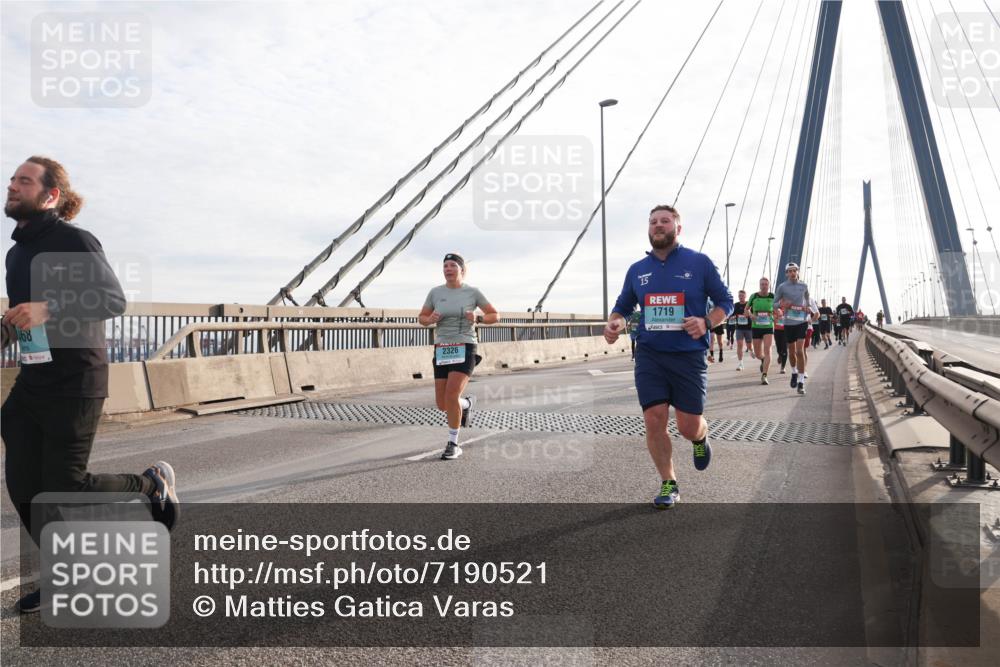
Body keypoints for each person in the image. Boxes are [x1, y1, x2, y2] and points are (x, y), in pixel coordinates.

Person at [1, 156, 179, 614]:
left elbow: (111, 300)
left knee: (66, 483)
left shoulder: (73, 240)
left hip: (77, 379)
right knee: (25, 487)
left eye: (24, 180)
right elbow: (23, 318)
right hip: (33, 379)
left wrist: (49, 308)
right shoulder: (16, 253)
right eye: (12, 179)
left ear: (51, 194)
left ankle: (150, 484)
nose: (12, 185)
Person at [603, 204, 733, 509]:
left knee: (688, 426)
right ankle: (669, 483)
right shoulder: (637, 270)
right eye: (653, 222)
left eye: (665, 221)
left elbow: (726, 302)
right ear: (648, 229)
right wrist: (614, 324)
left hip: (688, 356)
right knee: (654, 419)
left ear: (678, 228)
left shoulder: (699, 263)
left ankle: (700, 439)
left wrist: (706, 322)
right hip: (650, 355)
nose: (658, 225)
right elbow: (623, 307)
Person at [418, 253, 498, 460]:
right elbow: (422, 318)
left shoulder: (472, 292)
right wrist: (430, 318)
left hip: (465, 345)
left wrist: (479, 317)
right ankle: (467, 404)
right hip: (442, 348)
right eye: (445, 266)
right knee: (442, 404)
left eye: (453, 265)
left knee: (451, 395)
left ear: (461, 270)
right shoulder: (435, 293)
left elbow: (494, 315)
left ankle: (453, 443)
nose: (448, 269)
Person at [774, 262, 812, 395]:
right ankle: (794, 372)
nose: (792, 273)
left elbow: (808, 302)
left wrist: (808, 308)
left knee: (800, 351)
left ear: (798, 271)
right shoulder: (782, 287)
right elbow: (774, 304)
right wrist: (781, 304)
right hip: (789, 322)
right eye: (789, 271)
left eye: (794, 270)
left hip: (802, 321)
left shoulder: (804, 286)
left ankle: (801, 382)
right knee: (791, 352)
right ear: (786, 273)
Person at [747, 277, 774, 385]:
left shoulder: (773, 296)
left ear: (769, 286)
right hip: (756, 327)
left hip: (768, 326)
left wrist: (778, 313)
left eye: (766, 284)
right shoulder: (753, 296)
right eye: (762, 284)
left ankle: (764, 375)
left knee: (768, 350)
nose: (764, 286)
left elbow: (778, 308)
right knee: (758, 354)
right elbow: (746, 309)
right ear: (759, 285)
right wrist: (751, 315)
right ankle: (762, 359)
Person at [731, 290, 753, 371]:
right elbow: (731, 314)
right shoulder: (736, 305)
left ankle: (751, 350)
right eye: (739, 296)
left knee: (749, 346)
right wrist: (732, 316)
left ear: (745, 296)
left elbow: (753, 314)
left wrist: (749, 314)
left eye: (742, 296)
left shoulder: (749, 305)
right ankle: (740, 363)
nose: (741, 297)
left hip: (748, 328)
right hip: (739, 328)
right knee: (739, 345)